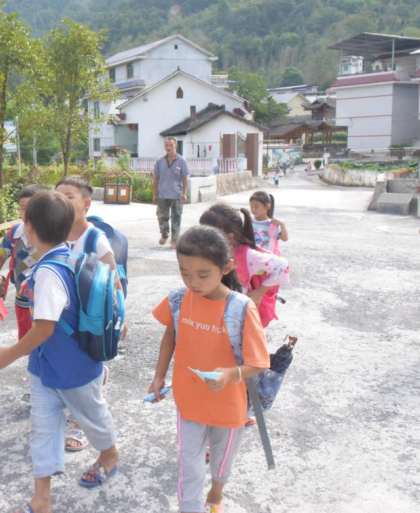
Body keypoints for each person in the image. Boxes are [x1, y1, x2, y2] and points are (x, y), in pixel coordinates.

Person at [0, 191, 119, 513]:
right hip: (47, 367)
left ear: (29, 227)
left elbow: (44, 328)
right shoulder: (66, 255)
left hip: (73, 368)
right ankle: (41, 499)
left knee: (92, 418)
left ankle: (109, 454)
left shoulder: (48, 272)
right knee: (43, 428)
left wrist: (9, 354)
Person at [148, 225, 270, 513]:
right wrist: (158, 376)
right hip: (189, 401)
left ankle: (215, 494)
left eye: (203, 275)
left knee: (221, 460)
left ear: (226, 267)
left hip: (228, 406)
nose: (193, 282)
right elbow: (170, 336)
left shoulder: (241, 308)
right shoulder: (178, 299)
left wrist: (230, 374)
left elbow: (258, 361)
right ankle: (189, 507)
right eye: (185, 273)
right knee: (189, 463)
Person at [55, 176, 119, 452]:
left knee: (85, 370)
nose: (61, 202)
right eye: (58, 196)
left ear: (86, 203)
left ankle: (82, 425)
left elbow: (114, 282)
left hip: (90, 319)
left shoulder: (96, 239)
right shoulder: (55, 234)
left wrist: (119, 319)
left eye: (68, 196)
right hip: (63, 318)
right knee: (70, 366)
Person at [0, 184, 43, 401]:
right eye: (22, 208)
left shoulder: (52, 233)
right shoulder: (15, 233)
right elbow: (0, 254)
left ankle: (45, 386)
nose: (25, 213)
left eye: (30, 207)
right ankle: (39, 385)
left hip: (46, 302)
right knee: (29, 343)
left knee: (46, 341)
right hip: (23, 302)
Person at [199, 203, 289, 311]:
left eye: (207, 235)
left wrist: (259, 292)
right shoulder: (204, 250)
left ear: (229, 238)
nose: (201, 238)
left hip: (235, 311)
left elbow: (282, 265)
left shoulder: (246, 255)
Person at [153, 137, 190, 248]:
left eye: (171, 145)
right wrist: (155, 194)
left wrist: (184, 194)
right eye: (166, 145)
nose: (168, 147)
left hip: (177, 195)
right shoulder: (160, 162)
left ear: (175, 146)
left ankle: (175, 240)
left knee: (176, 218)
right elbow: (156, 179)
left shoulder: (182, 161)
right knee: (161, 217)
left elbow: (185, 178)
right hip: (163, 194)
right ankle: (164, 235)